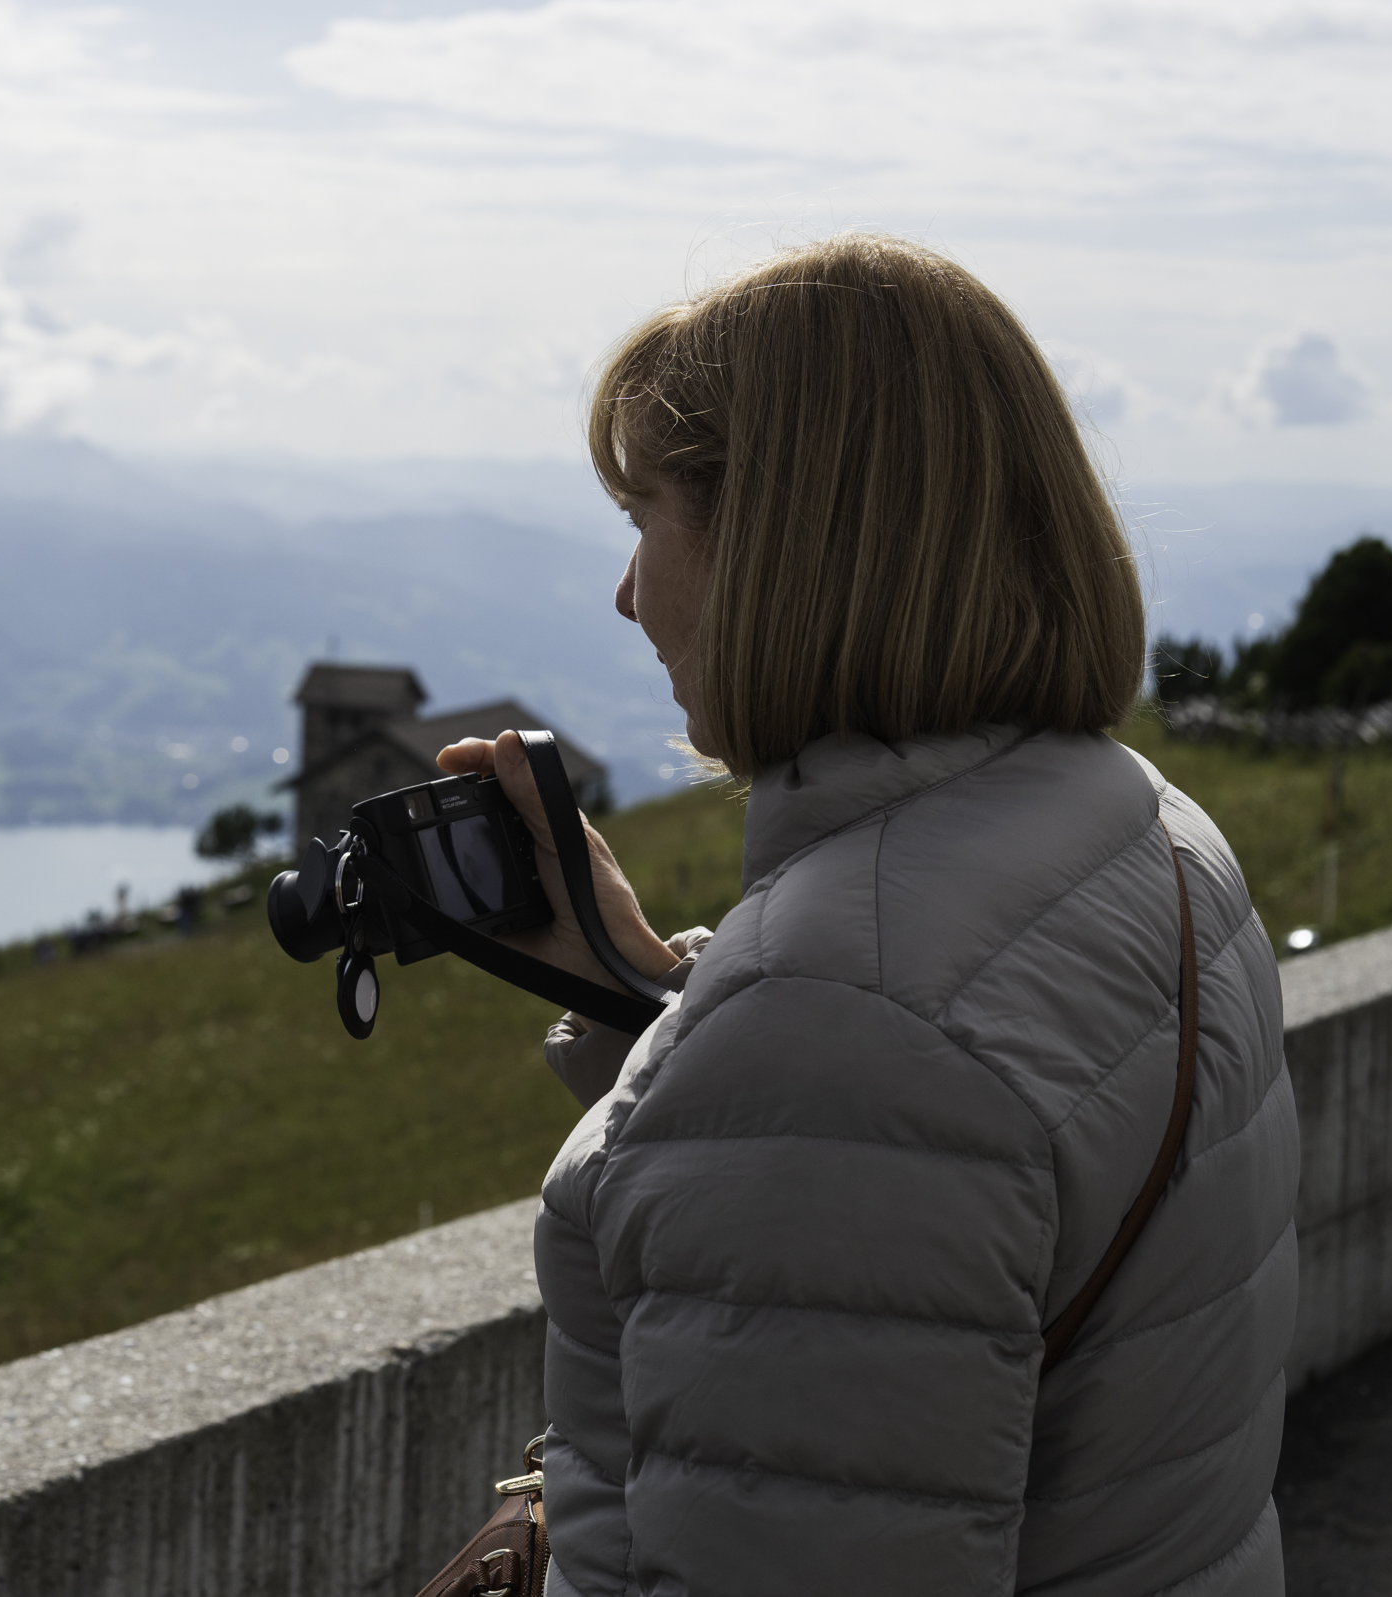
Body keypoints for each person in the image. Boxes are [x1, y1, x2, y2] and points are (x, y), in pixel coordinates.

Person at [435, 234, 1296, 1595]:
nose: (627, 594)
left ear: (783, 544)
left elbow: (866, 1106)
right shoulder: (1141, 826)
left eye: (645, 518)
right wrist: (640, 989)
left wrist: (754, 1028)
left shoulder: (842, 1013)